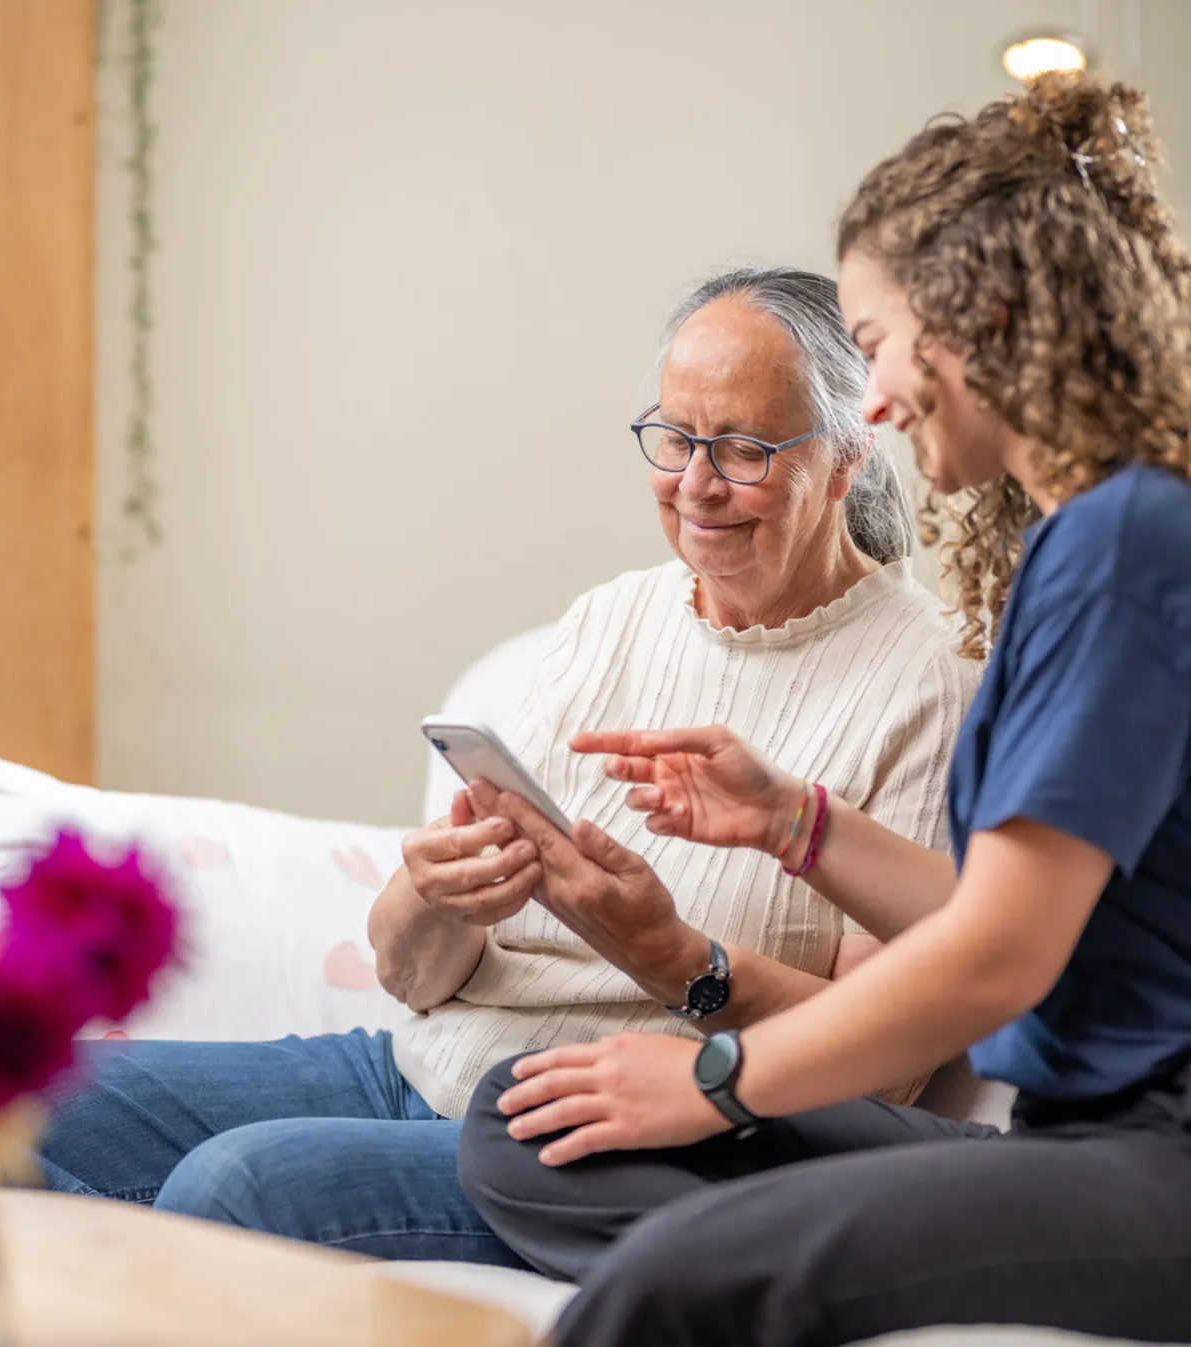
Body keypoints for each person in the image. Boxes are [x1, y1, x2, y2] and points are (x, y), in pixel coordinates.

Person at [457, 71, 1191, 1346]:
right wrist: (794, 822)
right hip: (1077, 1140)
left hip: (1156, 1156)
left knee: (676, 1276)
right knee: (528, 1116)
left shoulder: (1128, 542)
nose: (880, 402)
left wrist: (717, 1076)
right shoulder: (1087, 538)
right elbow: (1012, 918)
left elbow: (1000, 960)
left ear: (985, 320)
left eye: (880, 345)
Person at [41, 268, 979, 1263]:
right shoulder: (611, 618)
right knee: (30, 1104)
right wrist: (436, 894)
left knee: (233, 1184)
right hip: (421, 1067)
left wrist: (674, 958)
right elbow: (412, 976)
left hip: (595, 1144)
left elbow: (886, 1073)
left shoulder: (932, 678)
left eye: (743, 450)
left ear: (845, 456)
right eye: (675, 438)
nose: (696, 484)